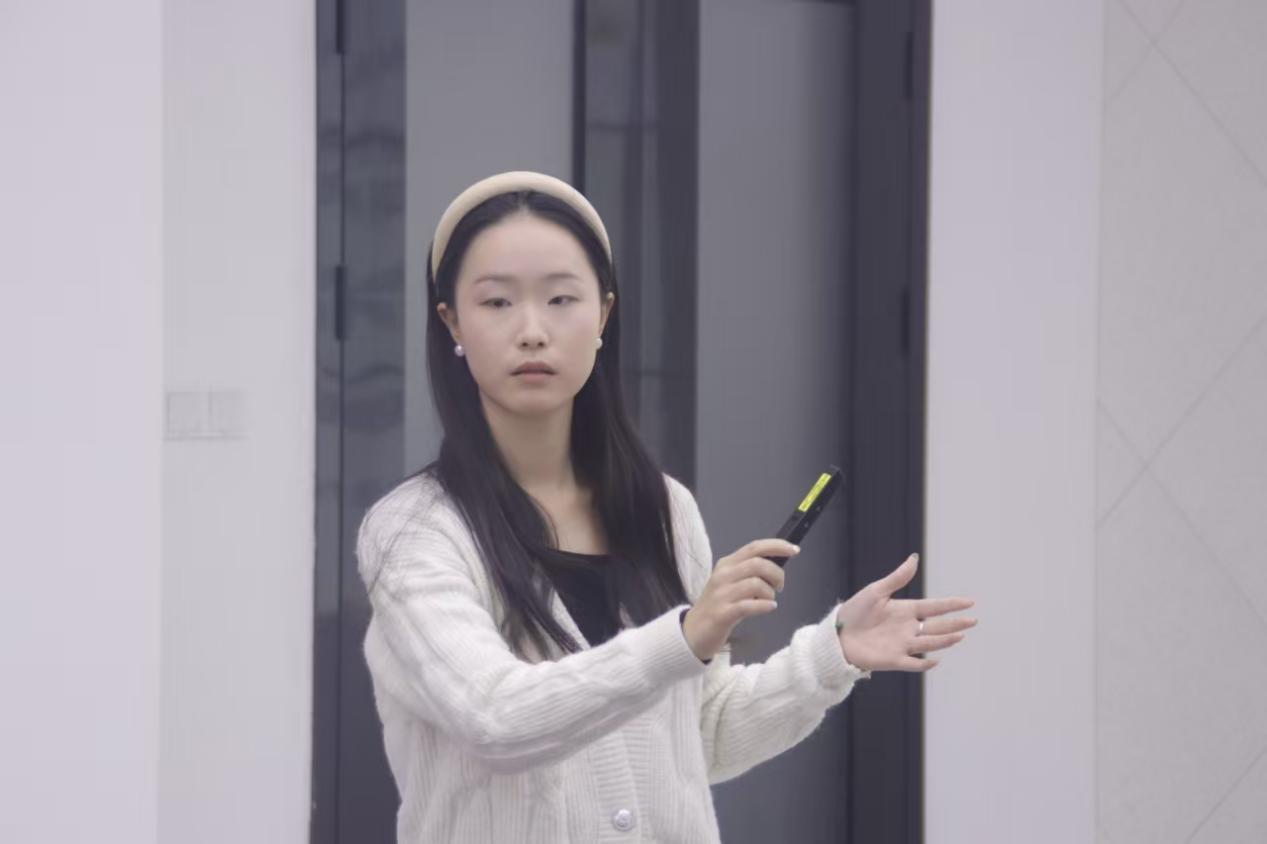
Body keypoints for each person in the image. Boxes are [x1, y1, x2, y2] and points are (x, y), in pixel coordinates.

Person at [356, 170, 977, 843]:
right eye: (497, 302)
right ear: (451, 320)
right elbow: (494, 718)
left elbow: (699, 739)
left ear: (603, 315)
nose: (532, 331)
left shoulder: (663, 507)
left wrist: (832, 655)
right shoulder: (415, 531)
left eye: (561, 298)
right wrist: (683, 637)